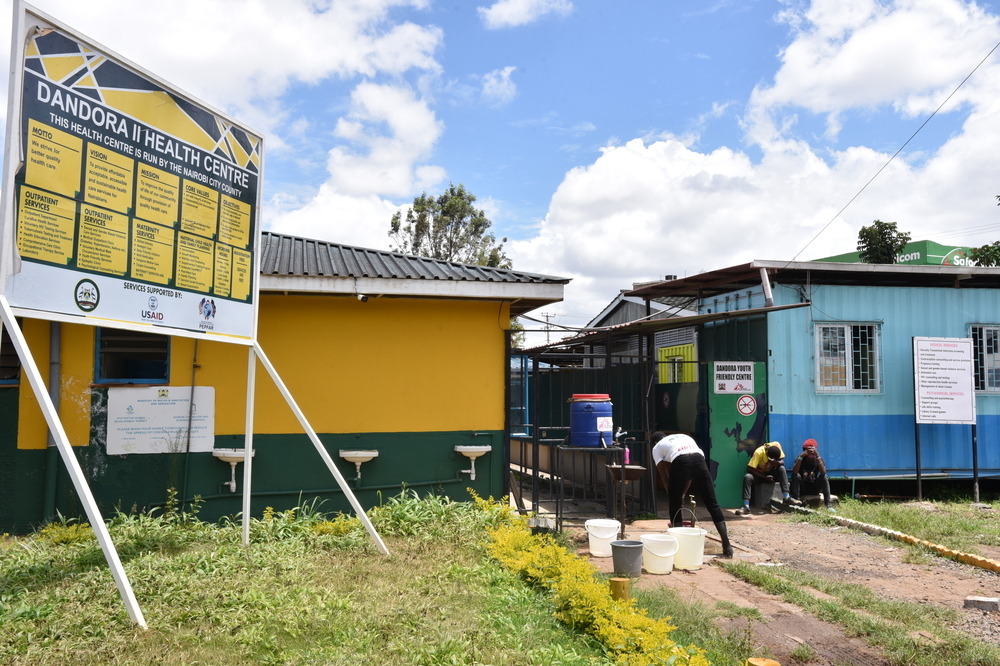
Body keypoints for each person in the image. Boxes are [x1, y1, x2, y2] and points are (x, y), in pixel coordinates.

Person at [651, 431, 734, 558]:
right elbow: (690, 476)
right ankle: (727, 545)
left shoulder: (657, 447)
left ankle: (678, 548)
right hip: (699, 460)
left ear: (655, 442)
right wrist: (682, 495)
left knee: (674, 505)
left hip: (681, 461)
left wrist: (676, 497)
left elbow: (664, 476)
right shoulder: (684, 437)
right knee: (712, 503)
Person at [738, 442, 800, 515]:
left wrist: (775, 462)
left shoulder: (777, 446)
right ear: (767, 455)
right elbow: (749, 469)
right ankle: (746, 506)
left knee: (782, 468)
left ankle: (786, 497)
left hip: (772, 474)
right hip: (761, 475)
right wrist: (765, 477)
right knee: (748, 477)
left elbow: (782, 462)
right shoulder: (759, 452)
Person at [791, 439, 835, 511]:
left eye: (813, 451)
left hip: (814, 488)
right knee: (795, 476)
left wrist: (817, 456)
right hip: (803, 487)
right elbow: (795, 471)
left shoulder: (819, 459)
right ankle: (797, 503)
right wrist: (801, 457)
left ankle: (829, 505)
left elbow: (823, 472)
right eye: (808, 451)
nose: (810, 453)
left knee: (824, 477)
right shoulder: (799, 458)